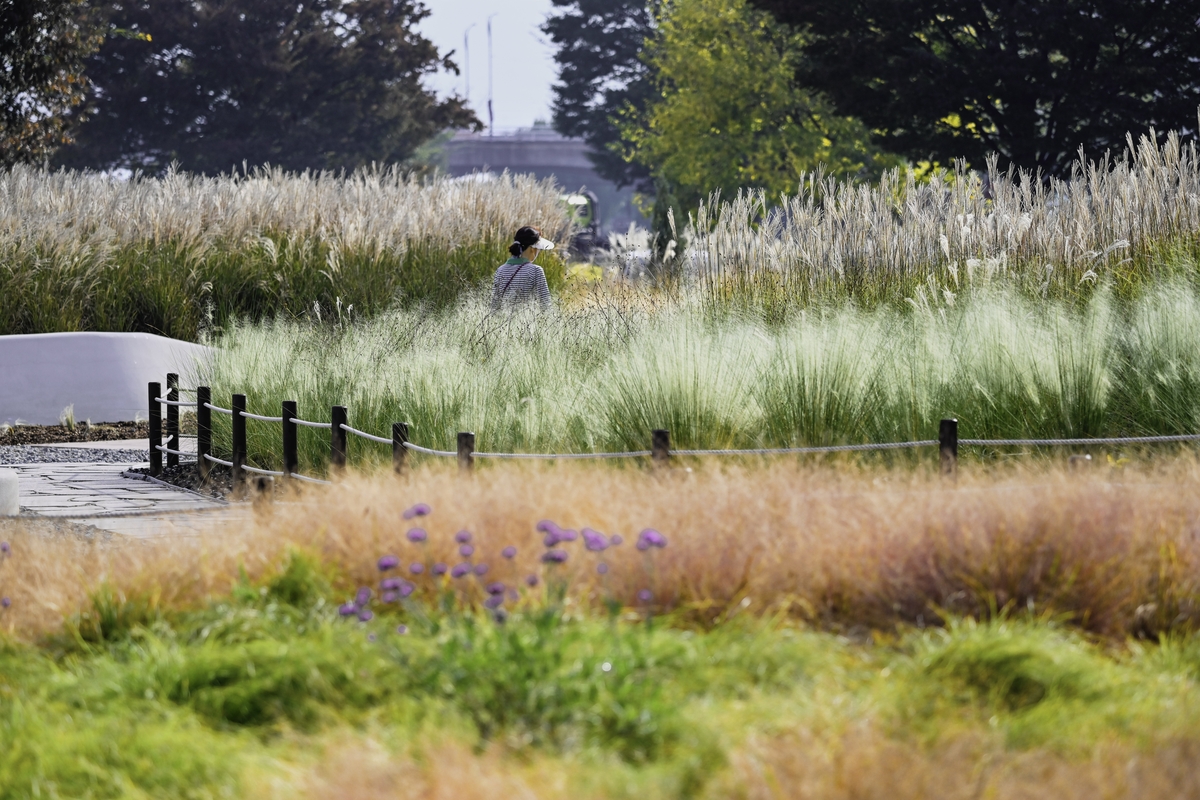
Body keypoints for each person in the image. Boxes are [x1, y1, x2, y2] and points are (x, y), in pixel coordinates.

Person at [491, 226, 554, 310]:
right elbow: (546, 304)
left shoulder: (500, 270)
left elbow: (494, 304)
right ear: (532, 249)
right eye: (538, 249)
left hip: (503, 321)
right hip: (525, 321)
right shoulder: (536, 270)